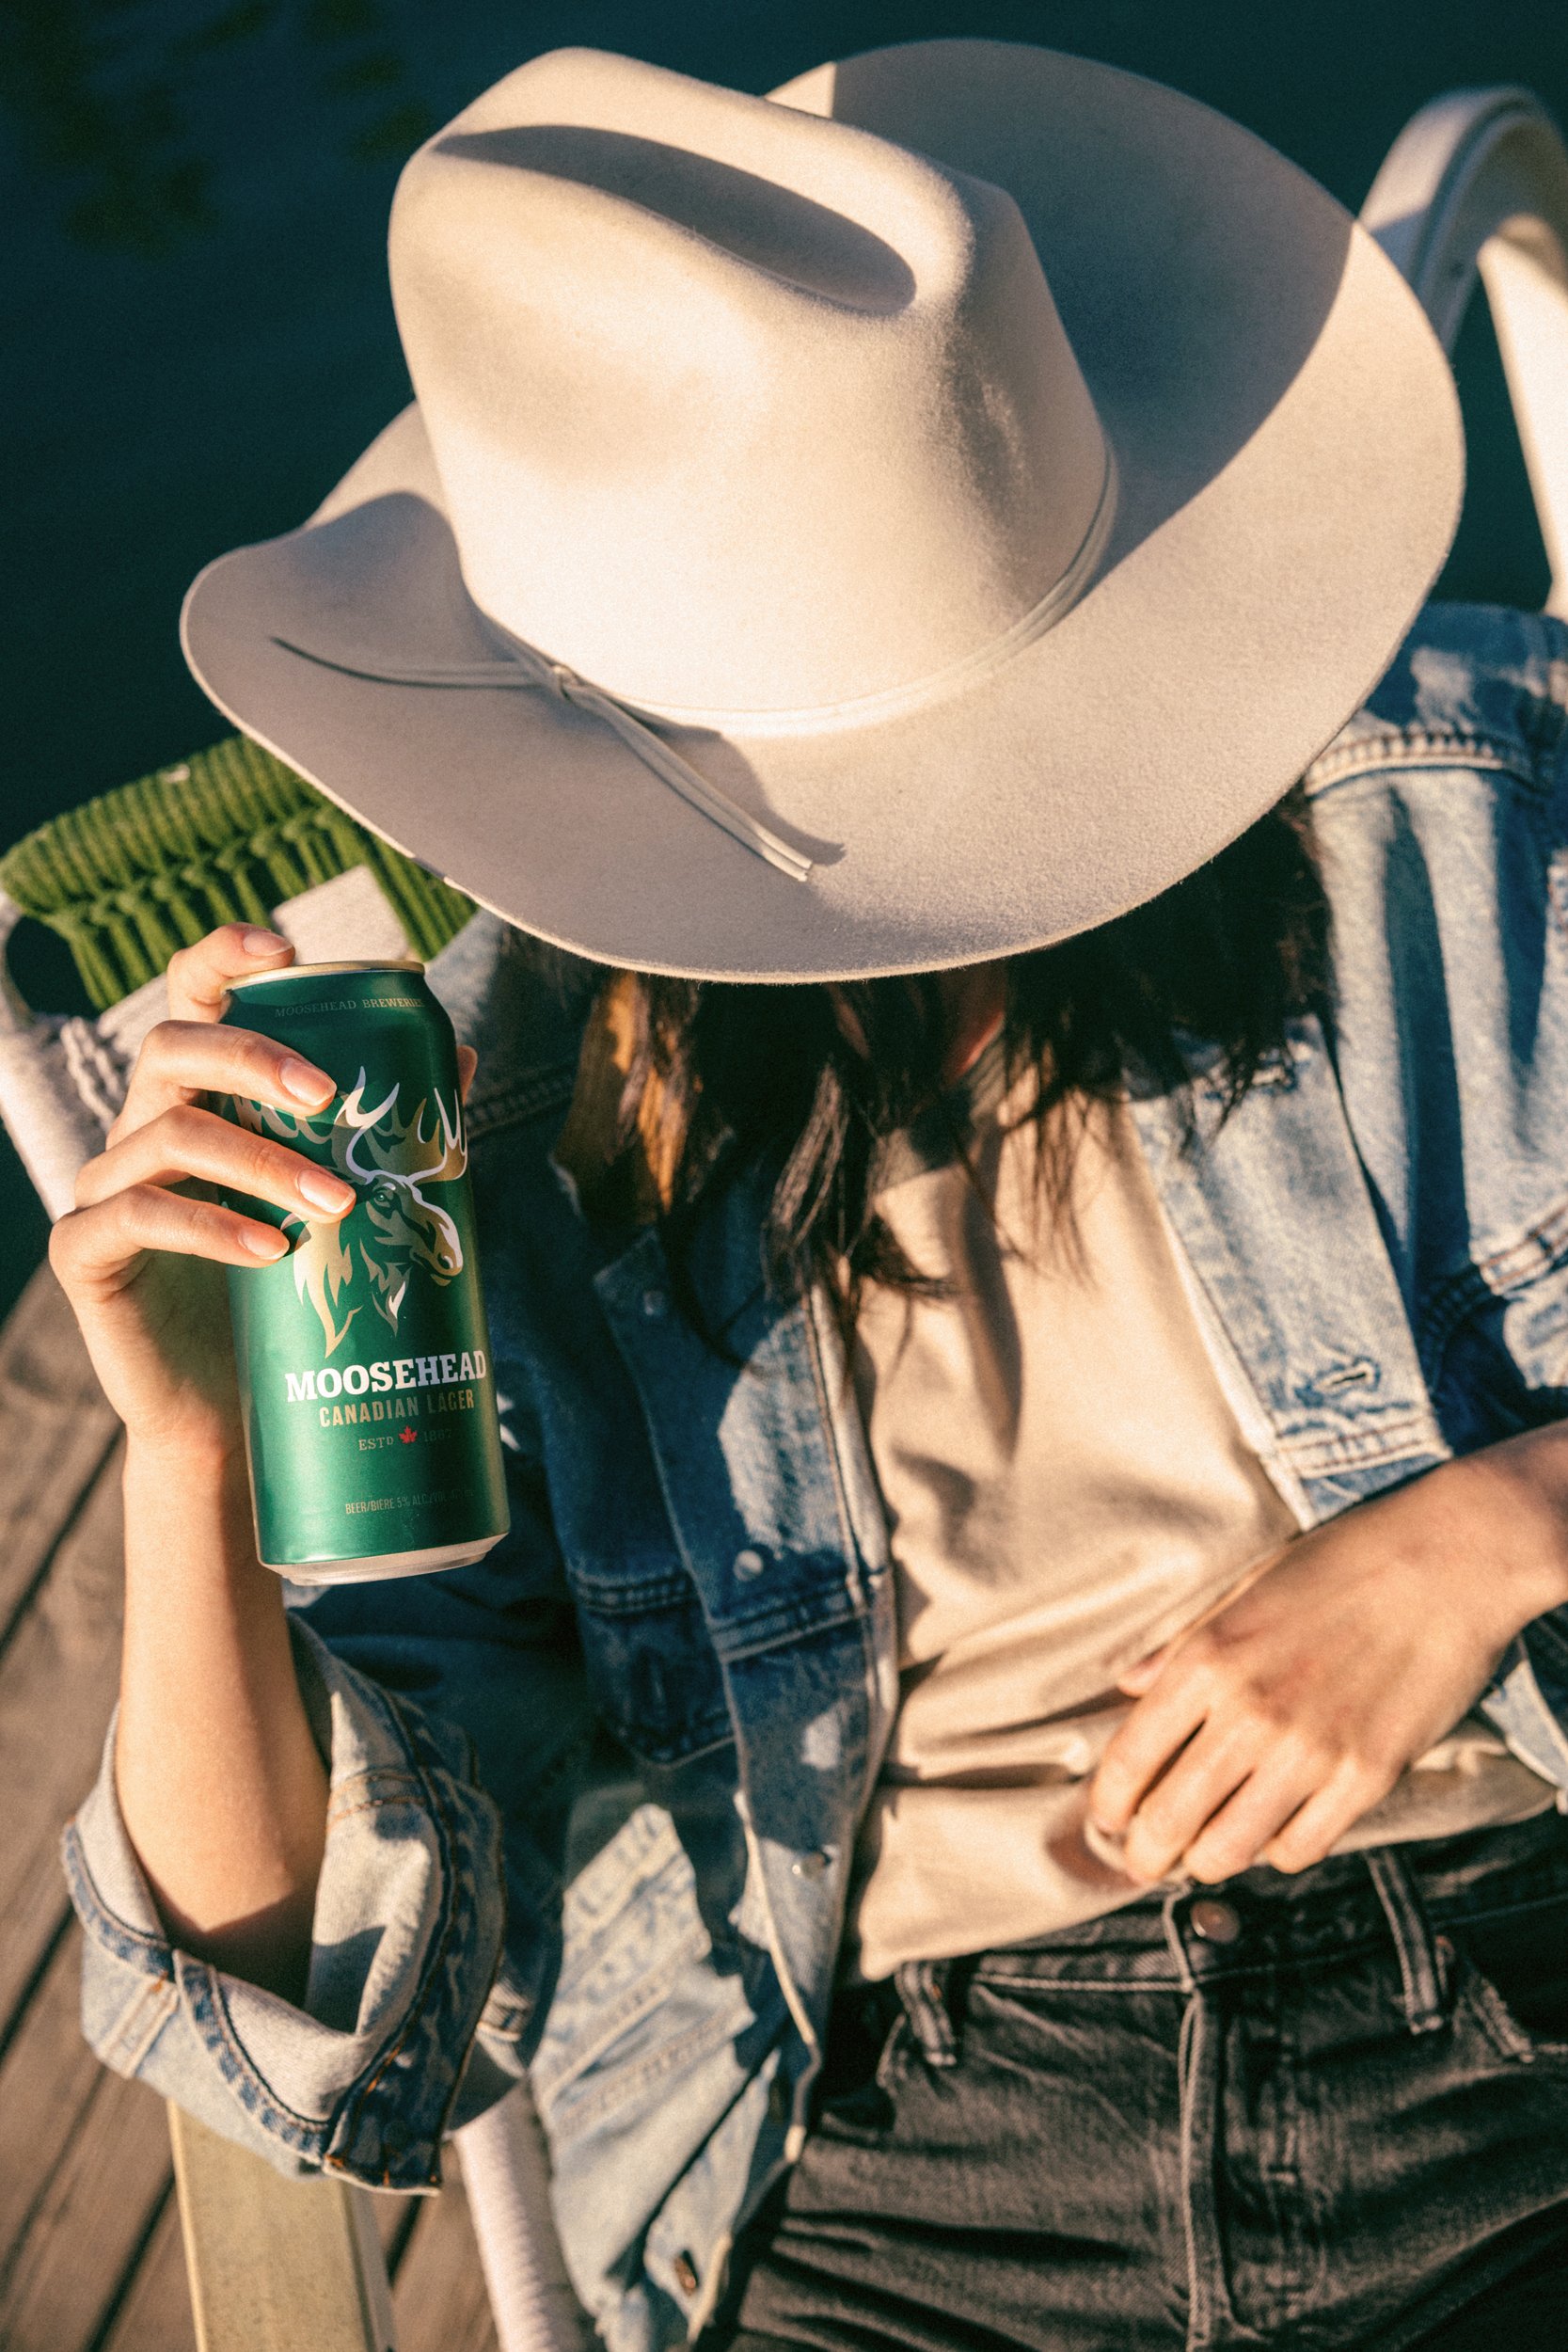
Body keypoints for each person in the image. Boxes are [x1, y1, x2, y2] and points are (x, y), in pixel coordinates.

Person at [48, 38, 1568, 2352]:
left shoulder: (1457, 811)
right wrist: (189, 1460)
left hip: (1500, 2010)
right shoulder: (481, 1136)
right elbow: (327, 2003)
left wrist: (1487, 1534)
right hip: (890, 2164)